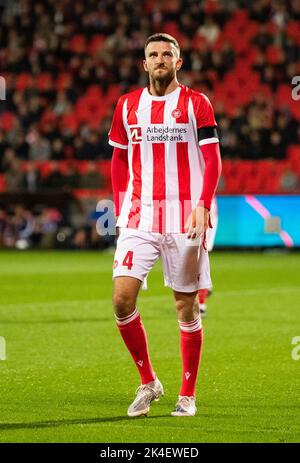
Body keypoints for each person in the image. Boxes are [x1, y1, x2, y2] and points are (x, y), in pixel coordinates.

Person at [109, 33, 222, 417]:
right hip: (139, 215)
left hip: (185, 216)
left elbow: (213, 160)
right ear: (144, 64)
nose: (159, 59)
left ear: (178, 62)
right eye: (153, 54)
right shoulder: (126, 106)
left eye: (166, 54)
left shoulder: (196, 104)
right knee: (122, 299)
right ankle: (148, 382)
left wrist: (203, 206)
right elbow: (119, 160)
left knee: (185, 306)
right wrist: (121, 205)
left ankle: (187, 394)